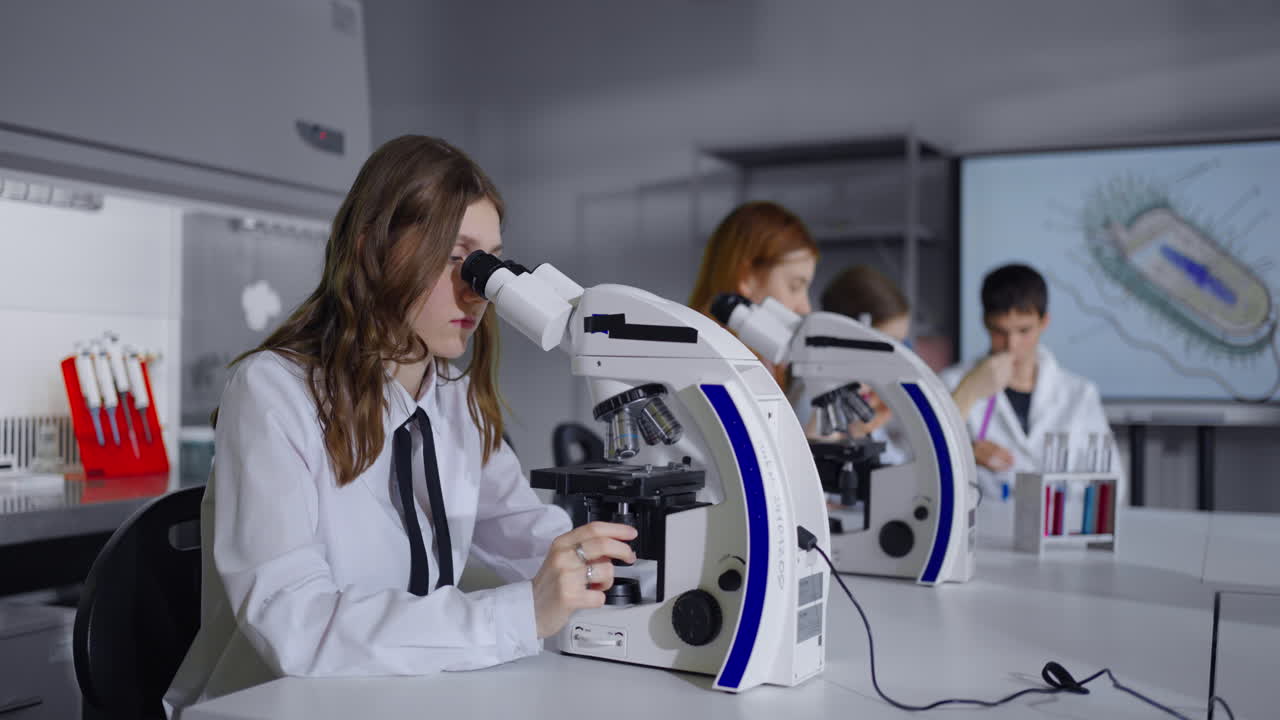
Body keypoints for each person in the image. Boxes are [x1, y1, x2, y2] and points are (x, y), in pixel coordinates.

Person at [166, 136, 636, 714]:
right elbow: (293, 623)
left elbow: (523, 534)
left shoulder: (454, 399)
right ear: (374, 251)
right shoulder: (273, 393)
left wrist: (607, 572)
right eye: (455, 256)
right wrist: (520, 612)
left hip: (402, 697)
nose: (478, 289)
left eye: (489, 263)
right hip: (273, 703)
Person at [940, 263, 1121, 501]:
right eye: (1000, 331)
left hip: (1059, 530)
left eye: (1024, 331)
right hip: (983, 530)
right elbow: (919, 463)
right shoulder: (953, 384)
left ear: (1044, 322)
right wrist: (964, 453)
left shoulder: (1079, 394)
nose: (1011, 345)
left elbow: (1110, 485)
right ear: (985, 322)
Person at [688, 201, 818, 388]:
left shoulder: (766, 361)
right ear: (746, 277)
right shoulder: (705, 363)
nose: (805, 307)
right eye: (794, 286)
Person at [812, 264, 913, 464]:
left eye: (900, 345)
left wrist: (860, 432)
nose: (893, 359)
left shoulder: (867, 401)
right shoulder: (814, 398)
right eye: (887, 345)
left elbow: (895, 464)